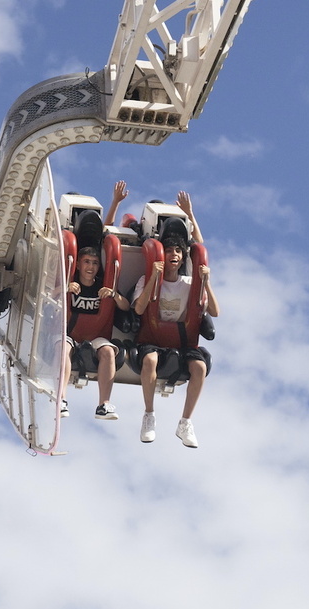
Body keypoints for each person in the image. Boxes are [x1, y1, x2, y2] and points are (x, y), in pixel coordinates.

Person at [131, 191, 220, 447]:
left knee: (200, 367)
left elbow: (214, 311)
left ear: (182, 257)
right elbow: (138, 309)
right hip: (153, 339)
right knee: (150, 359)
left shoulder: (190, 282)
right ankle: (149, 414)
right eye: (169, 251)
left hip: (182, 342)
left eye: (178, 252)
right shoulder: (146, 280)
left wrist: (206, 283)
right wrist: (152, 281)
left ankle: (185, 423)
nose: (174, 255)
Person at [61, 181, 130, 420]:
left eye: (94, 263)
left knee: (109, 351)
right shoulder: (68, 279)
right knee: (64, 347)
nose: (90, 267)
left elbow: (126, 307)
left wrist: (113, 294)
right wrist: (64, 289)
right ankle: (62, 399)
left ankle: (105, 404)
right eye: (86, 263)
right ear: (78, 265)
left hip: (95, 337)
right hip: (71, 335)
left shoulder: (103, 284)